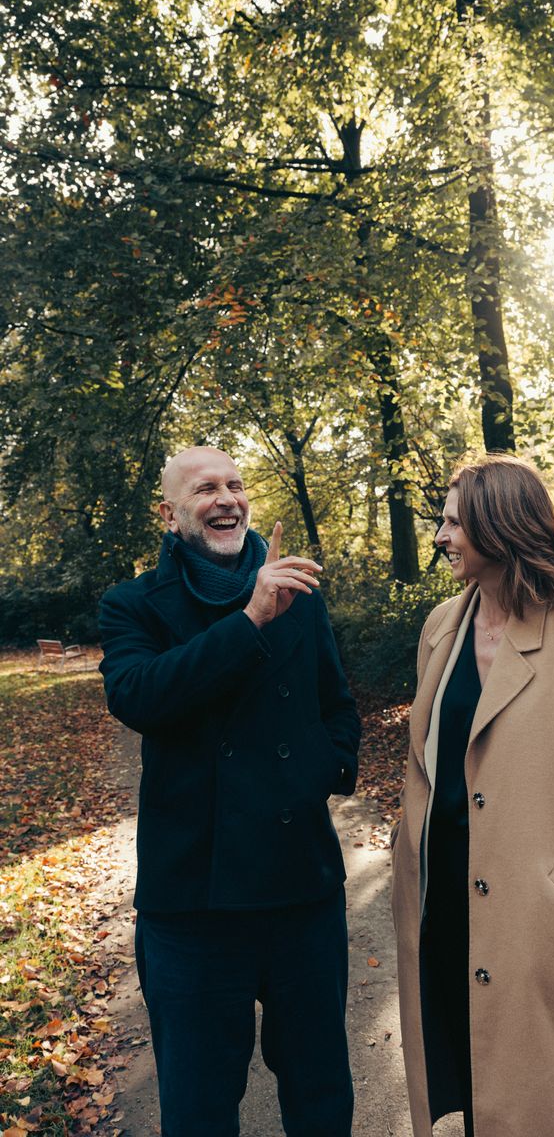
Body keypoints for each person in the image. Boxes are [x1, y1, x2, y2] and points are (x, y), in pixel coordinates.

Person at [98, 446, 360, 1137]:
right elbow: (138, 697)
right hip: (191, 902)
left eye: (235, 485)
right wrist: (248, 619)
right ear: (170, 513)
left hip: (300, 887)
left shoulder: (296, 591)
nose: (226, 499)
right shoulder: (132, 604)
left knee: (320, 1090)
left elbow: (335, 703)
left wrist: (321, 773)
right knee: (198, 1104)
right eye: (206, 488)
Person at [391, 454, 554, 1137]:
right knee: (470, 1072)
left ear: (497, 526)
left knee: (543, 1098)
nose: (441, 537)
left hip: (530, 916)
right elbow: (429, 758)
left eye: (452, 523)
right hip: (439, 902)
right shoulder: (440, 628)